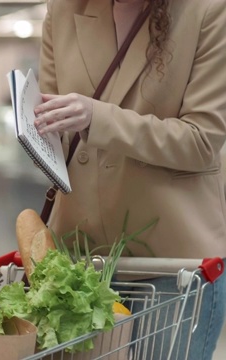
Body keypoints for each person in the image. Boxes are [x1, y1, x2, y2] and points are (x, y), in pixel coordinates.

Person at [33, 0, 226, 359]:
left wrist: (96, 118)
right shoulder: (63, 11)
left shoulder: (207, 11)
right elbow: (54, 129)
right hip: (80, 261)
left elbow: (202, 140)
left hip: (173, 265)